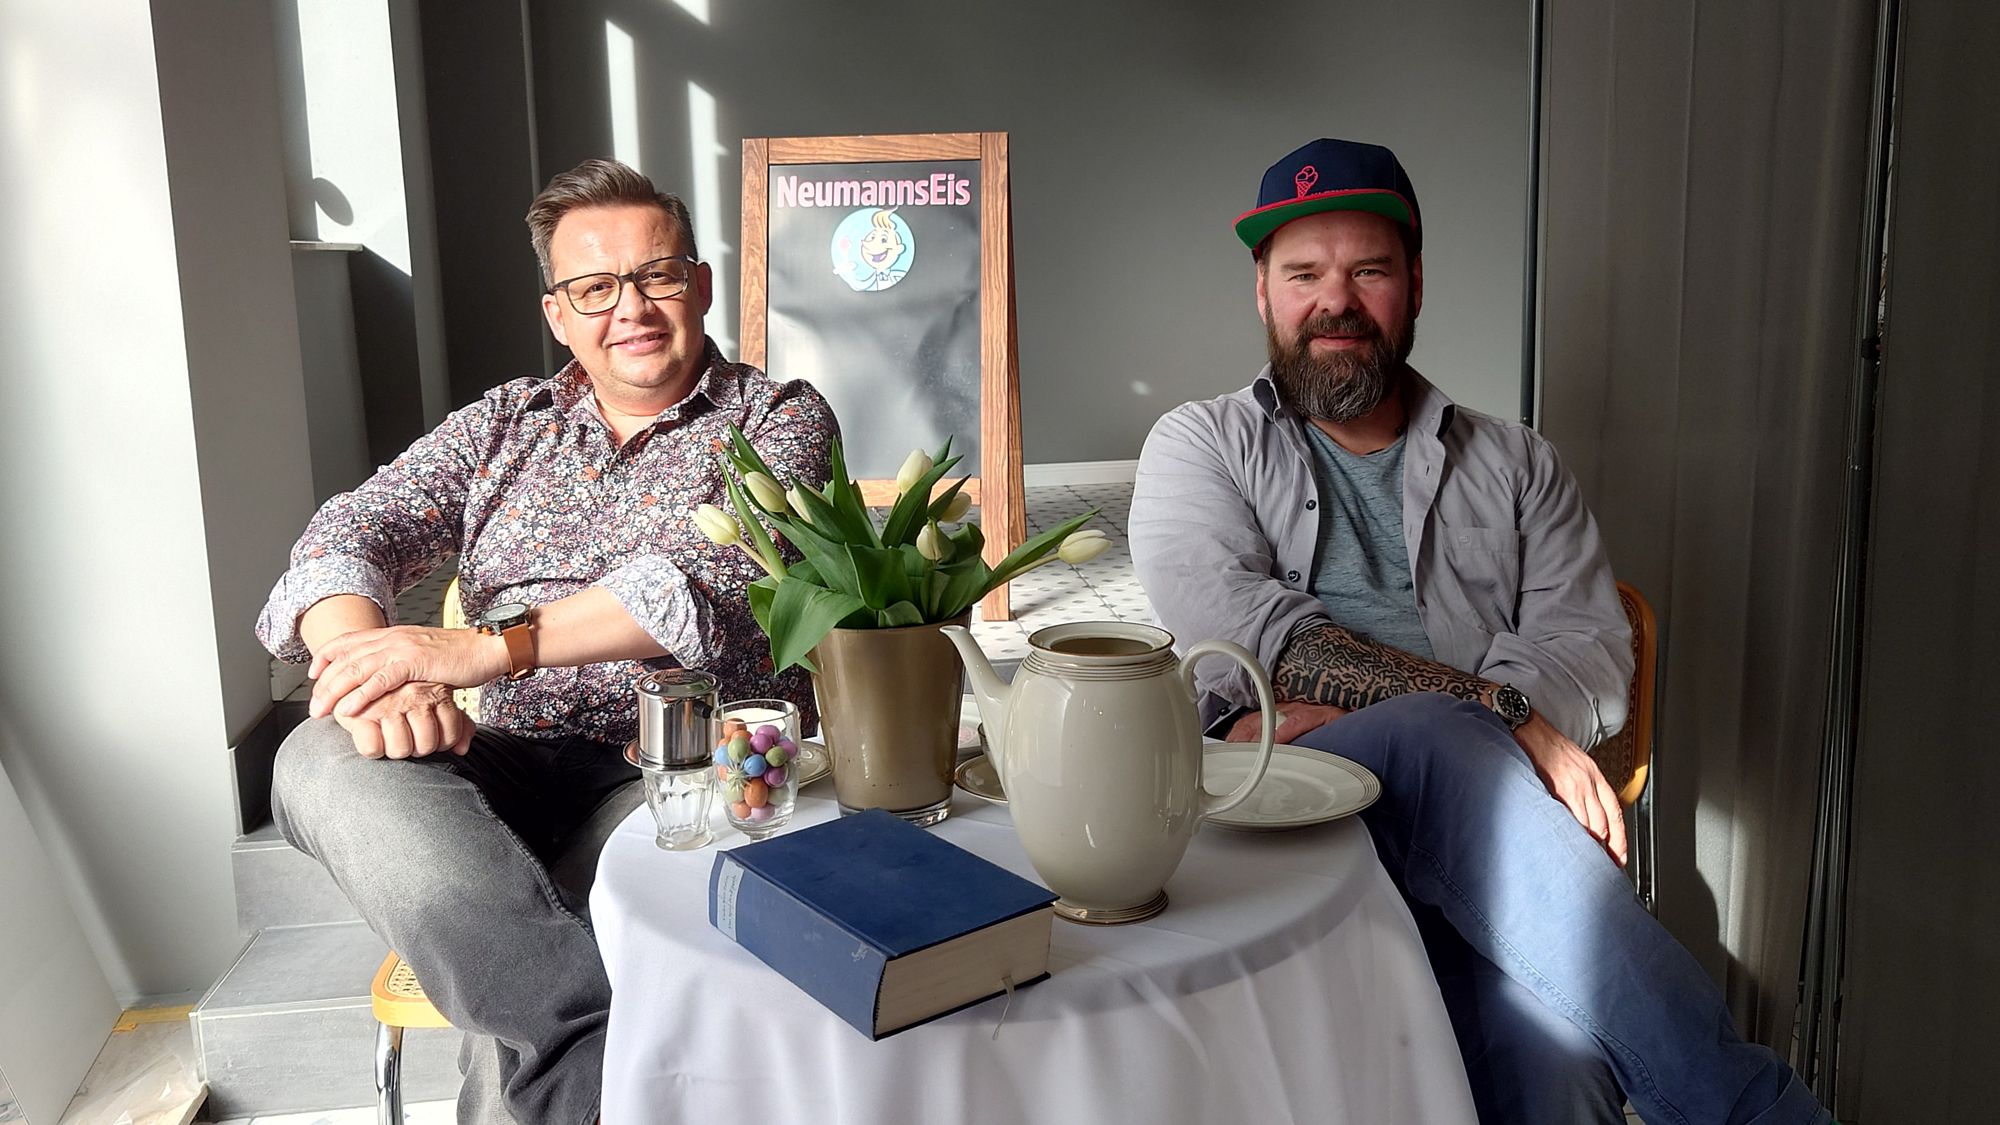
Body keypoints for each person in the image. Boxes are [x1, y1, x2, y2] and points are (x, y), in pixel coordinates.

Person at [1130, 138, 1829, 1124]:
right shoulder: (1196, 445)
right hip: (1274, 821)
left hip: (1480, 836)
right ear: (1261, 292)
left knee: (1555, 1069)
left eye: (1367, 270)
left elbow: (1589, 652)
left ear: (1412, 286)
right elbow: (1252, 636)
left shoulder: (1517, 466)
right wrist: (1496, 711)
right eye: (1302, 274)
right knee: (1430, 734)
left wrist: (1472, 728)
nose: (1334, 300)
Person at [256, 159, 836, 1124]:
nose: (632, 308)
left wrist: (481, 651)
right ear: (558, 312)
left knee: (542, 959)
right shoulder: (505, 424)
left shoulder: (778, 421)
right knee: (318, 755)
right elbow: (347, 533)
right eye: (595, 287)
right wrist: (378, 671)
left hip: (685, 768)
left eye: (657, 276)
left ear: (695, 286)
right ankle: (580, 1019)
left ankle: (562, 1027)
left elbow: (705, 582)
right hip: (508, 757)